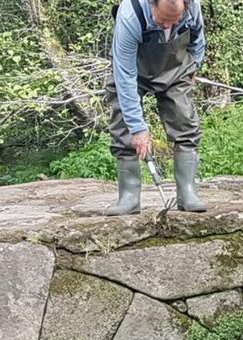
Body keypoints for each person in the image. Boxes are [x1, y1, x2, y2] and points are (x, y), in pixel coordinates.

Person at [105, 0, 207, 215]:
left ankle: (187, 193)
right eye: (162, 20)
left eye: (174, 21)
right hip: (134, 70)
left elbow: (198, 35)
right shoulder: (130, 16)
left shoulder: (193, 6)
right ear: (152, 5)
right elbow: (124, 76)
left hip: (176, 68)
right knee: (123, 125)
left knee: (185, 122)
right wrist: (138, 129)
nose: (168, 27)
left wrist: (195, 64)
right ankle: (129, 197)